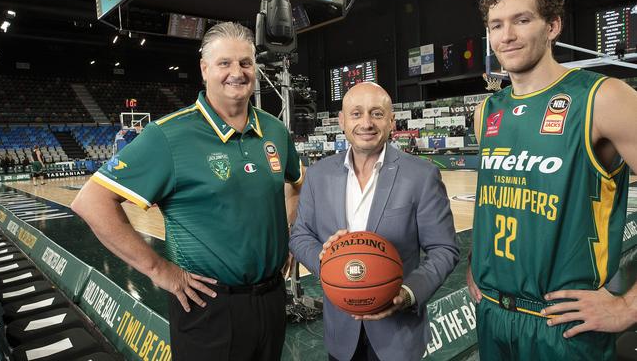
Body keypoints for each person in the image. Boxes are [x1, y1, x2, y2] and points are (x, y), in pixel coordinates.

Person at [72, 22, 304, 361]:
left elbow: (296, 186)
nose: (236, 72)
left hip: (271, 299)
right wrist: (159, 270)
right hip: (207, 307)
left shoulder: (274, 130)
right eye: (225, 63)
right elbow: (92, 201)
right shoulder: (168, 136)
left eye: (245, 62)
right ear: (204, 68)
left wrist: (290, 236)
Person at [466, 0, 637, 360]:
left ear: (553, 26)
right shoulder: (485, 113)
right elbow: (496, 199)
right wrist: (478, 262)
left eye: (522, 20)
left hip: (564, 325)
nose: (506, 35)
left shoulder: (603, 98)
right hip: (493, 316)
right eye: (496, 25)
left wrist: (628, 307)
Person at [290, 82, 459, 361]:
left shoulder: (421, 175)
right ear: (342, 121)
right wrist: (326, 260)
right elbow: (300, 235)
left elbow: (444, 248)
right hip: (340, 334)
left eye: (376, 114)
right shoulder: (318, 175)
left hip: (398, 337)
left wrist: (407, 293)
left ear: (391, 120)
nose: (366, 123)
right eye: (356, 114)